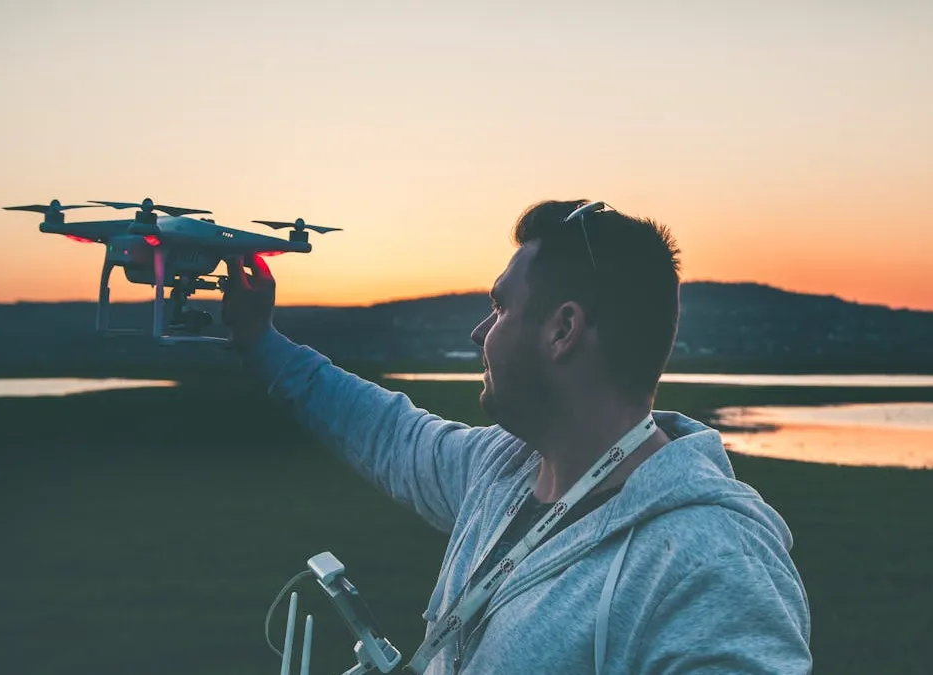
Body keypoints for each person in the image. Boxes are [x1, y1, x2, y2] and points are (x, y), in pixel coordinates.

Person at [222, 199, 812, 674]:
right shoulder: (502, 473)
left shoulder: (708, 557)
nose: (482, 331)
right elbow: (387, 432)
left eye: (500, 308)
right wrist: (261, 341)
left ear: (562, 330)